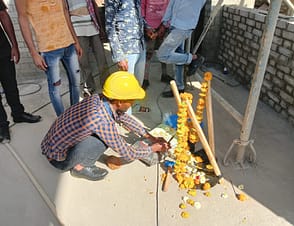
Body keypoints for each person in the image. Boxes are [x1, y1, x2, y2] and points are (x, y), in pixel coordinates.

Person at [41, 71, 169, 181]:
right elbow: (128, 153)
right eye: (132, 100)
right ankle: (80, 168)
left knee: (105, 135)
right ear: (119, 102)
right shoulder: (102, 119)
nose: (133, 103)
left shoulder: (100, 98)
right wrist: (153, 148)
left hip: (50, 145)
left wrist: (149, 136)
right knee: (103, 141)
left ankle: (78, 160)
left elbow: (122, 116)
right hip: (58, 159)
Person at [15, 0, 83, 116]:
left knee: (76, 82)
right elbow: (23, 19)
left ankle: (75, 114)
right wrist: (33, 53)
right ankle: (62, 122)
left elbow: (65, 11)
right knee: (55, 88)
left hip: (69, 44)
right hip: (48, 49)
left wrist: (75, 40)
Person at [0, 0, 41, 143]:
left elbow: (3, 15)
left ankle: (18, 113)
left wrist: (14, 45)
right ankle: (2, 126)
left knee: (11, 85)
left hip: (2, 50)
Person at [156, 0, 206, 97]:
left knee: (162, 55)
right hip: (174, 24)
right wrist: (165, 23)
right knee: (178, 57)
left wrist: (190, 20)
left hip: (183, 26)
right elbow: (172, 3)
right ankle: (180, 88)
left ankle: (193, 59)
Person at [66, 0, 108, 96]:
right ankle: (89, 86)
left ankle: (106, 84)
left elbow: (94, 6)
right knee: (83, 61)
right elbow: (65, 13)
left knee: (102, 58)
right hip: (77, 29)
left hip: (93, 26)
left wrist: (101, 27)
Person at [105, 0, 146, 86]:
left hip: (140, 45)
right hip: (126, 50)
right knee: (127, 88)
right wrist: (119, 56)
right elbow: (110, 26)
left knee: (137, 87)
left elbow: (137, 17)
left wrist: (148, 28)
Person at [141, 0, 173, 90]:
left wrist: (164, 26)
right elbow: (142, 8)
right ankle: (145, 79)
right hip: (149, 28)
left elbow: (171, 8)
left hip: (163, 26)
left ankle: (164, 74)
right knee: (148, 54)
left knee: (164, 52)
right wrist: (147, 27)